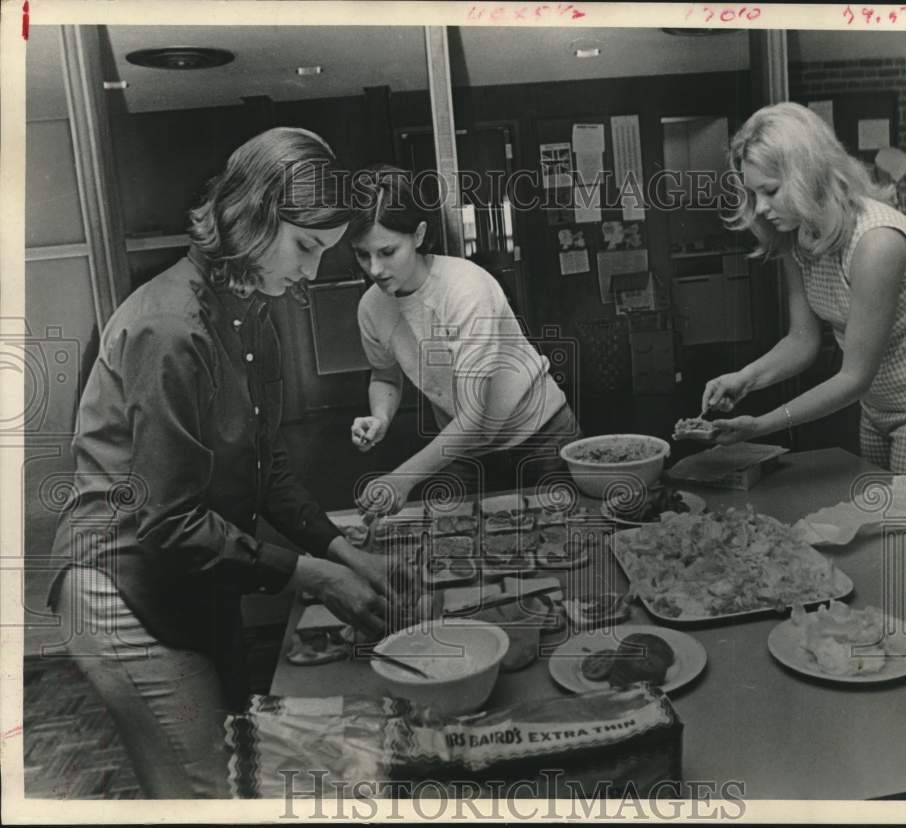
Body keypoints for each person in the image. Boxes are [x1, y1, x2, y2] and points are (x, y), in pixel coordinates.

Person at [47, 128, 391, 798]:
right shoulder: (170, 328)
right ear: (252, 216)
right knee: (209, 792)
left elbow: (267, 467)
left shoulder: (251, 310)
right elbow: (169, 521)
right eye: (306, 247)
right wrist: (312, 575)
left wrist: (342, 550)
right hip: (120, 583)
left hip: (185, 578)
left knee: (228, 773)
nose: (311, 273)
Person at [701, 103, 906, 475]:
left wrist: (761, 426)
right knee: (884, 511)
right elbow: (802, 340)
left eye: (770, 191)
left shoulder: (877, 241)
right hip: (877, 406)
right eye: (754, 194)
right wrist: (743, 379)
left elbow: (853, 377)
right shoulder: (796, 235)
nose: (760, 208)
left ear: (809, 174)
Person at [347, 165, 581, 514]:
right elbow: (385, 374)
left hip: (541, 435)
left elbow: (475, 416)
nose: (375, 269)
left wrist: (402, 478)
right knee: (462, 539)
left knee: (564, 534)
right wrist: (380, 417)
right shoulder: (371, 307)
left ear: (419, 235)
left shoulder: (465, 288)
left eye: (387, 252)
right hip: (463, 449)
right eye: (362, 254)